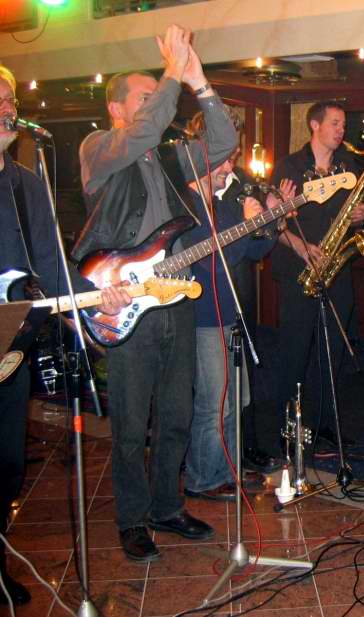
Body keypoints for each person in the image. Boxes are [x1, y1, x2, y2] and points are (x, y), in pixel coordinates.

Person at [73, 25, 238, 562]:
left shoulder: (167, 158)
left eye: (157, 95)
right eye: (143, 97)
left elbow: (223, 144)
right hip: (124, 301)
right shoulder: (100, 148)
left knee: (176, 414)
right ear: (116, 109)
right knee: (130, 422)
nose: (155, 104)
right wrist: (171, 72)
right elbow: (145, 131)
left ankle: (167, 507)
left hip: (173, 300)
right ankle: (132, 518)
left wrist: (200, 81)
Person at [0, 66, 130, 604]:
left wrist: (98, 301)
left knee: (8, 466)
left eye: (10, 98)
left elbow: (53, 268)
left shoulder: (26, 185)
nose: (8, 107)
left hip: (10, 349)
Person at [182, 132, 294, 501]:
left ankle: (227, 471)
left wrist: (272, 219)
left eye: (232, 160)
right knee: (214, 404)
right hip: (204, 319)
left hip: (229, 316)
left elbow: (253, 251)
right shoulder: (189, 206)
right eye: (225, 161)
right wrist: (246, 222)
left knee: (235, 400)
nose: (231, 168)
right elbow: (218, 260)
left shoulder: (219, 204)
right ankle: (203, 478)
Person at [269, 101, 364, 450]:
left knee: (333, 351)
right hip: (299, 270)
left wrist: (360, 215)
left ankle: (325, 422)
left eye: (344, 124)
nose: (342, 130)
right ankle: (288, 428)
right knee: (294, 350)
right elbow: (272, 224)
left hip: (336, 269)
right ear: (315, 125)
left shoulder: (349, 165)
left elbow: (357, 213)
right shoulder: (289, 167)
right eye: (335, 123)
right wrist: (302, 248)